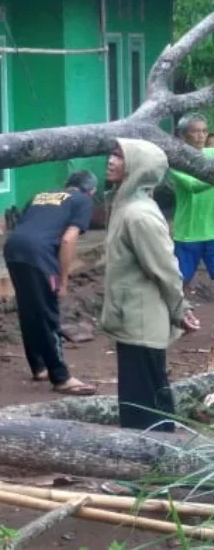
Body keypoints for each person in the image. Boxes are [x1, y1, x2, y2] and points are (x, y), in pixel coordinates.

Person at [103, 139, 200, 432]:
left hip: (143, 321)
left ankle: (155, 461)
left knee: (144, 403)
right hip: (132, 316)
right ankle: (154, 458)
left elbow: (165, 268)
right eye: (113, 154)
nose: (110, 160)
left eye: (119, 156)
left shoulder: (139, 215)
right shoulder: (126, 206)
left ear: (139, 168)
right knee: (142, 396)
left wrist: (180, 307)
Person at [2, 171, 98, 395]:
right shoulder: (82, 201)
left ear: (67, 184)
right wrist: (63, 280)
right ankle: (61, 377)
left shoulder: (41, 195)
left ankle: (39, 366)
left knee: (29, 308)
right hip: (39, 253)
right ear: (91, 191)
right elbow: (68, 239)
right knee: (48, 312)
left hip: (13, 247)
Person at [171, 113, 214, 290]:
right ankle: (177, 315)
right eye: (195, 131)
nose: (201, 136)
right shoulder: (176, 160)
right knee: (180, 282)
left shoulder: (211, 153)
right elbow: (193, 186)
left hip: (213, 231)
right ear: (183, 135)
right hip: (188, 233)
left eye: (204, 131)